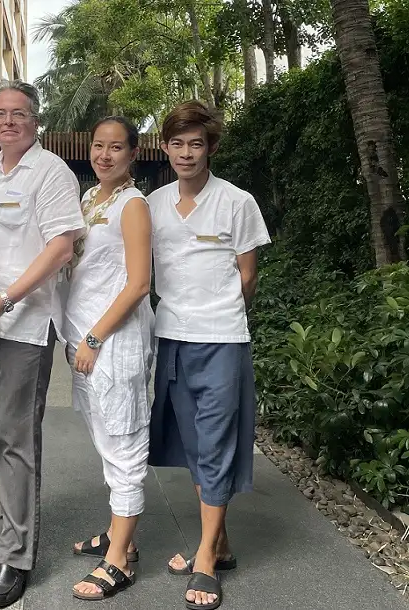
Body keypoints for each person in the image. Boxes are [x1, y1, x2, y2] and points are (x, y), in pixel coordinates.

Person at [0, 79, 85, 609]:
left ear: (35, 121)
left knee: (16, 439)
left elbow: (61, 247)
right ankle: (4, 527)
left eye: (19, 113)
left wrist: (7, 298)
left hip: (22, 327)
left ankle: (16, 557)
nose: (8, 121)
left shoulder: (51, 172)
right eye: (0, 113)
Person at [147, 101, 271, 610]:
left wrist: (217, 315)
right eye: (177, 143)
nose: (186, 153)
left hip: (222, 339)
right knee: (196, 445)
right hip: (172, 337)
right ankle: (219, 542)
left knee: (216, 441)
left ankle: (204, 559)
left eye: (195, 143)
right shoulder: (153, 204)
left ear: (211, 147)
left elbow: (248, 276)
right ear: (165, 147)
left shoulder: (237, 202)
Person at [63, 116, 154, 601]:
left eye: (116, 147)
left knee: (123, 443)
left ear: (132, 153)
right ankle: (121, 535)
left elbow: (138, 284)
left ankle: (118, 559)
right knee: (104, 440)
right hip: (85, 343)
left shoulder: (133, 204)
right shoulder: (88, 199)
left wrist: (96, 337)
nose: (104, 155)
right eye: (98, 145)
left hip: (112, 344)